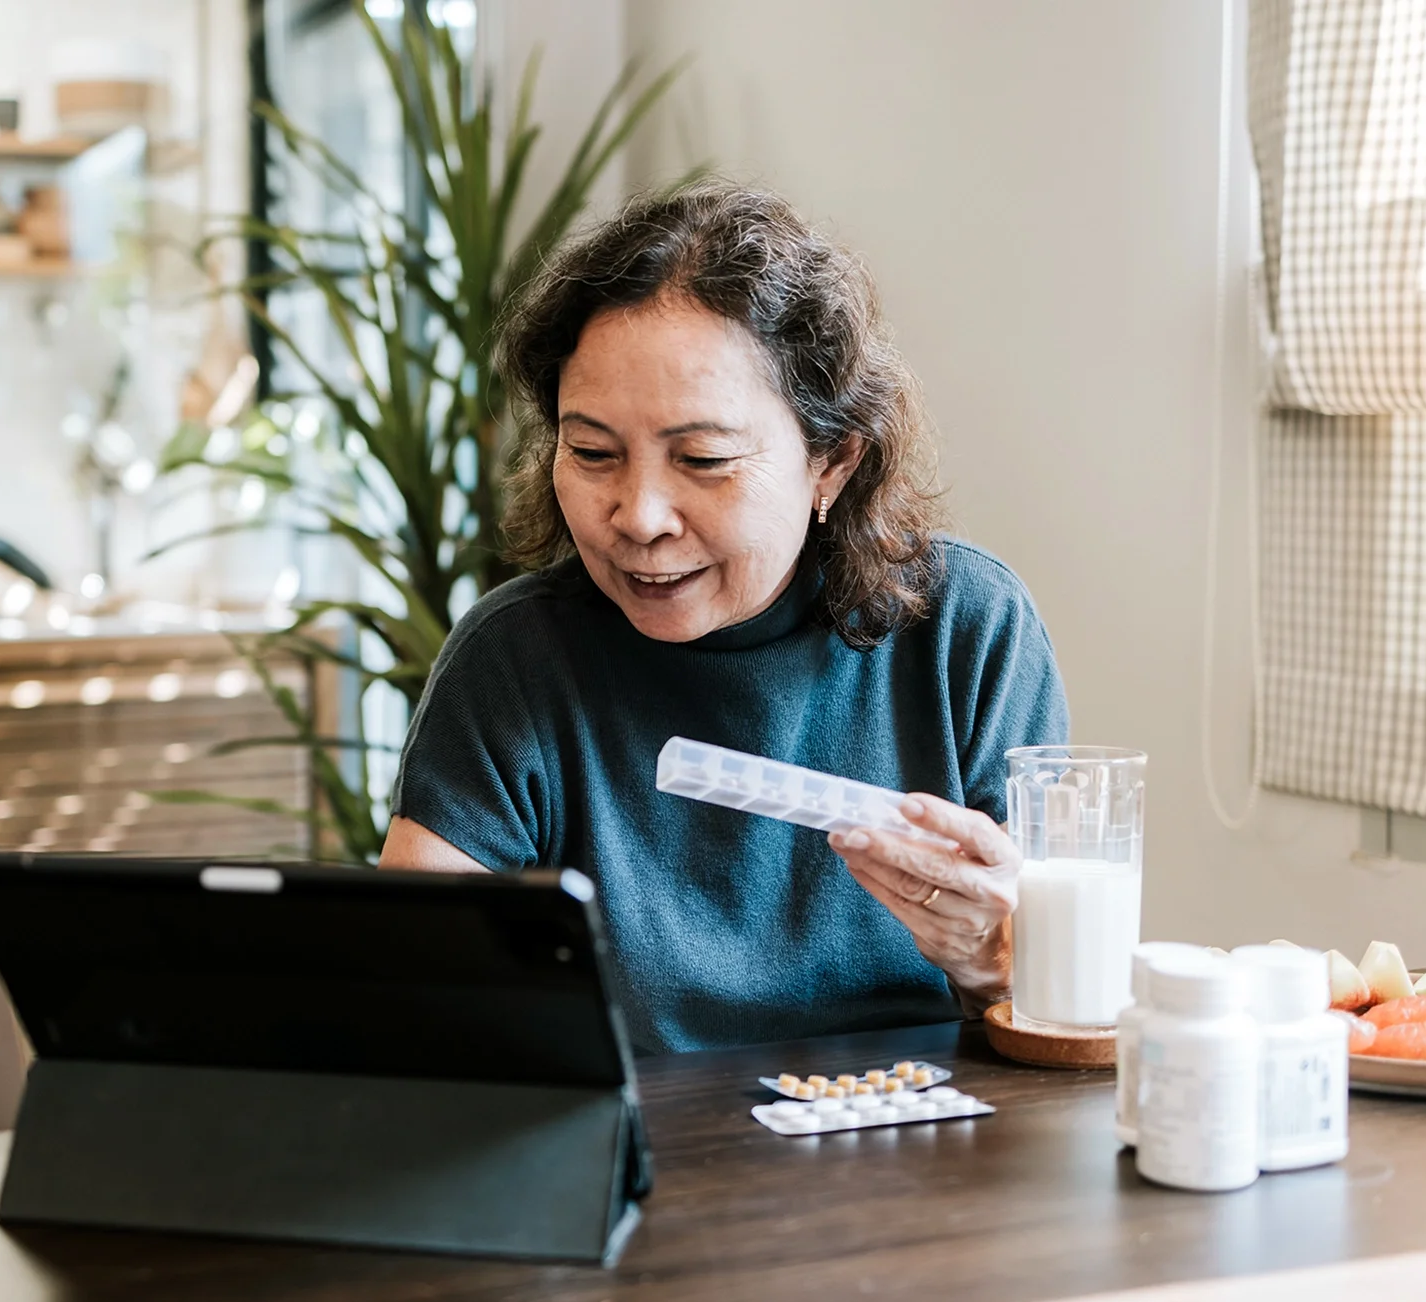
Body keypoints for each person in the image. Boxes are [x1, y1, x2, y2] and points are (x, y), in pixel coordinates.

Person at [380, 181, 1068, 1054]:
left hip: (913, 1154)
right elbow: (410, 996)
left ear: (832, 463)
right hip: (637, 1165)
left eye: (702, 458)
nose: (639, 516)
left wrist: (993, 960)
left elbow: (1059, 1017)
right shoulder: (518, 659)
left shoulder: (963, 633)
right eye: (591, 453)